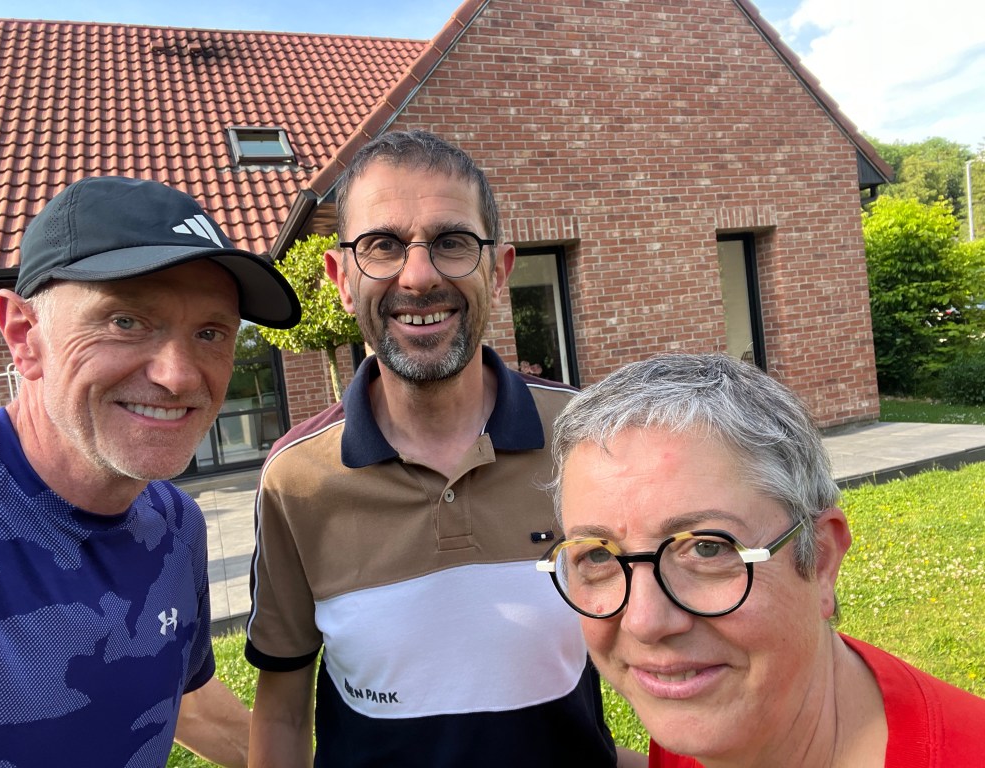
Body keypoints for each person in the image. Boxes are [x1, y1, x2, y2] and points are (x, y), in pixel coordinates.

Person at [245, 130, 641, 767]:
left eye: (452, 242)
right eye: (382, 245)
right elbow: (284, 714)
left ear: (499, 270)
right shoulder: (296, 481)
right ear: (341, 279)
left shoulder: (590, 438)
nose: (419, 275)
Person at [0, 175, 302, 767]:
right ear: (23, 335)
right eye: (125, 321)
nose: (179, 375)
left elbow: (178, 693)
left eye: (210, 332)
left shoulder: (176, 525)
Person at [539, 352, 985, 767]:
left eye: (708, 548)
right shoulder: (703, 702)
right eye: (597, 555)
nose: (644, 622)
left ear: (821, 559)